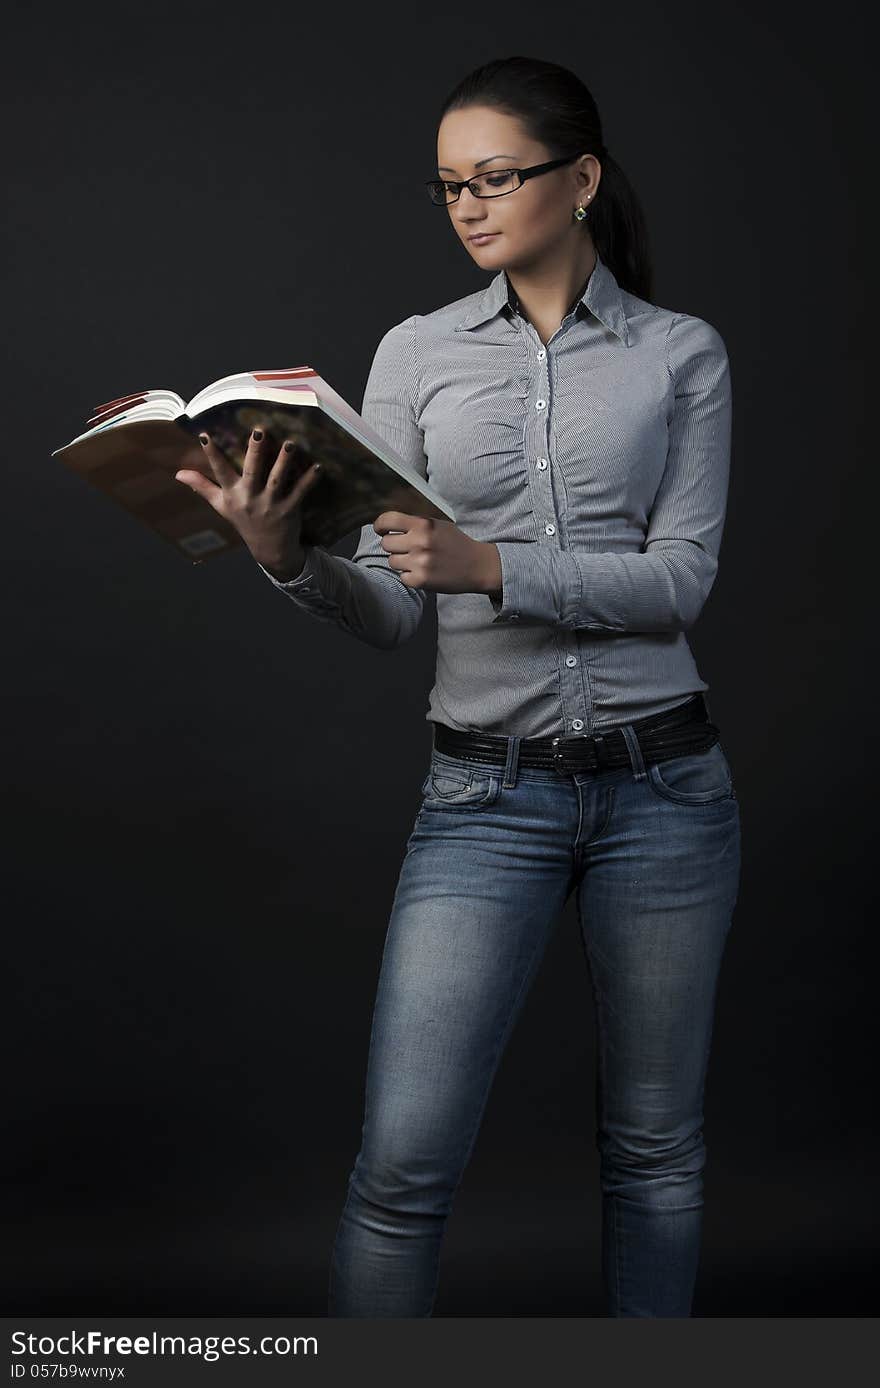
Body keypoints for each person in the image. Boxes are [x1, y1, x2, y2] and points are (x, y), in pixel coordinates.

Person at [176, 54, 741, 1318]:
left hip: (669, 792)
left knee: (655, 1161)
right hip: (485, 801)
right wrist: (282, 558)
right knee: (401, 1170)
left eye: (494, 177)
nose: (470, 206)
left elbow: (682, 579)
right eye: (447, 188)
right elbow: (386, 609)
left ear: (579, 179)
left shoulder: (678, 356)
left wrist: (497, 564)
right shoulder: (415, 355)